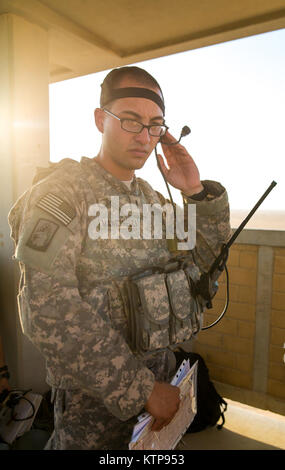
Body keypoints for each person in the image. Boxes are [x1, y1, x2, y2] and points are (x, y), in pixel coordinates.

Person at [8, 66, 231, 450]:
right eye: (131, 121)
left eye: (155, 125)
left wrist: (194, 191)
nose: (145, 137)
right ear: (100, 119)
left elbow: (205, 265)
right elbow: (46, 310)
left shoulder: (151, 201)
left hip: (158, 406)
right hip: (92, 415)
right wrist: (140, 389)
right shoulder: (63, 195)